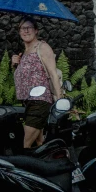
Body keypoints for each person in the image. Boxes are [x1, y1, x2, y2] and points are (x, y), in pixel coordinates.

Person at [12, 17, 62, 148]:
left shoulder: (43, 47)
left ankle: (22, 166)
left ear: (36, 31)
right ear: (19, 31)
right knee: (39, 143)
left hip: (40, 100)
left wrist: (60, 101)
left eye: (29, 28)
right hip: (27, 101)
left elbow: (53, 74)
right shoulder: (24, 53)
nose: (26, 31)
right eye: (23, 28)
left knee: (25, 144)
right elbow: (25, 76)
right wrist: (15, 65)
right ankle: (49, 163)